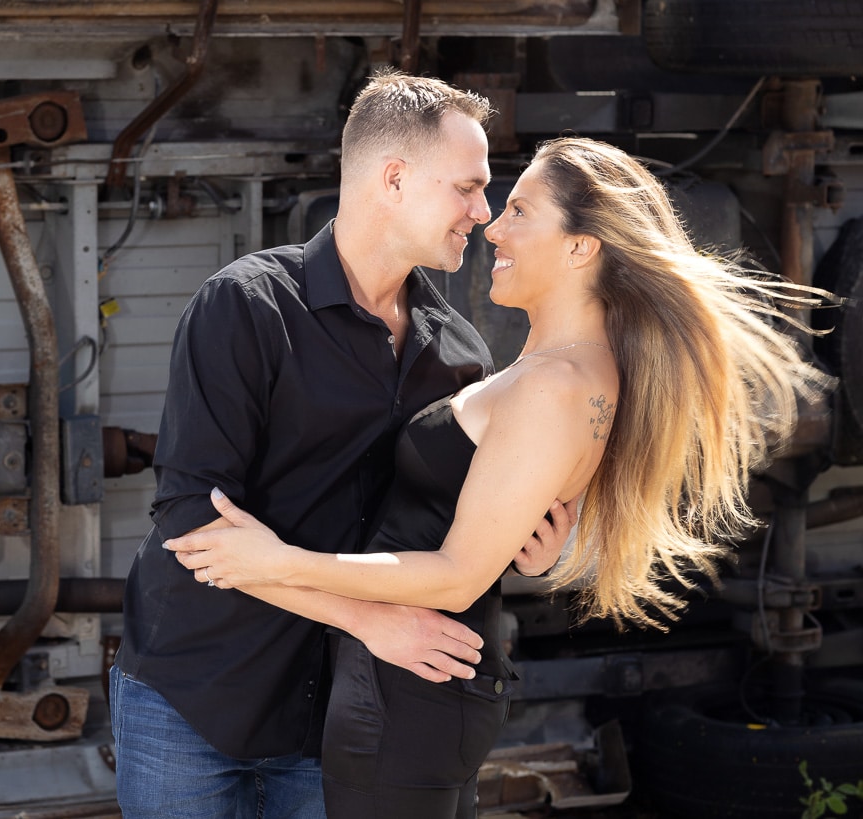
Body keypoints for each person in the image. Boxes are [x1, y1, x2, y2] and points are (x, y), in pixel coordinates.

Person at [167, 136, 836, 818]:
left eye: (520, 209)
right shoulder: (552, 369)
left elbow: (457, 572)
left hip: (413, 686)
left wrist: (279, 561)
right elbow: (503, 525)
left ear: (581, 247)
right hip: (411, 682)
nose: (494, 224)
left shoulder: (560, 383)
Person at [110, 70, 578, 819]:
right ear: (393, 178)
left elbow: (449, 526)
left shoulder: (459, 354)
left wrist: (534, 546)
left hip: (339, 717)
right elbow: (191, 522)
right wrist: (368, 618)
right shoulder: (248, 307)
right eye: (466, 187)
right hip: (195, 700)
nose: (482, 213)